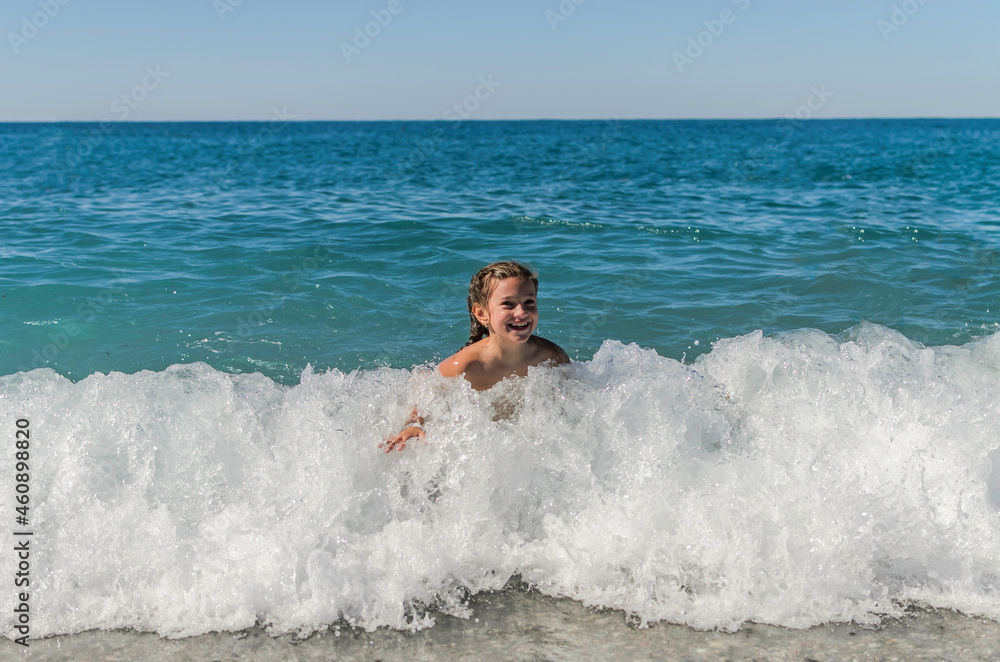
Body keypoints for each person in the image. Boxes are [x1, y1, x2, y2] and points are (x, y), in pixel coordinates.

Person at [382, 260, 570, 452]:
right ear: (481, 313)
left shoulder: (551, 356)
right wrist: (414, 424)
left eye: (529, 302)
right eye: (508, 304)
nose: (521, 312)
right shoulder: (466, 364)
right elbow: (422, 385)